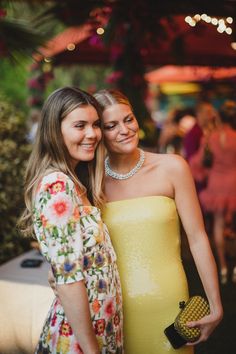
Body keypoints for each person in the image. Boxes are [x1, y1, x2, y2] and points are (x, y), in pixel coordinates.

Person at [93, 89, 223, 354]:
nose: (124, 129)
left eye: (128, 119)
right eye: (111, 125)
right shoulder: (92, 182)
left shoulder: (172, 167)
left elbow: (197, 238)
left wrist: (215, 303)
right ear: (99, 132)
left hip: (168, 299)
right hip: (114, 308)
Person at [19, 87, 123, 354]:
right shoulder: (57, 185)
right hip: (78, 341)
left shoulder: (77, 183)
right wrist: (91, 350)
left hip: (99, 331)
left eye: (96, 125)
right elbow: (68, 280)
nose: (93, 134)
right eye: (80, 125)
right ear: (55, 130)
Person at [190, 100, 236, 285]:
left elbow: (197, 162)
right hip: (234, 183)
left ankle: (223, 268)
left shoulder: (210, 138)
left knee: (217, 225)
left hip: (216, 185)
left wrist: (206, 172)